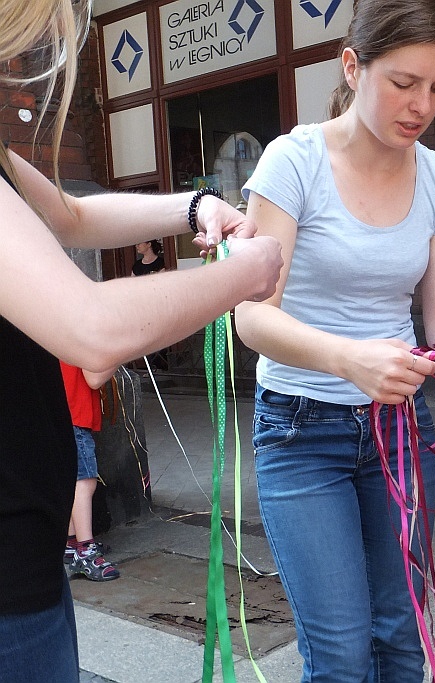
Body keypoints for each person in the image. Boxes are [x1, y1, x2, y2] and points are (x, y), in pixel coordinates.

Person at [232, 1, 435, 680]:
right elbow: (251, 317)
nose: (421, 105)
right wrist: (346, 357)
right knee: (338, 652)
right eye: (404, 82)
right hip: (301, 429)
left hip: (400, 427)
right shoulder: (292, 161)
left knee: (401, 636)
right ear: (353, 67)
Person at [0, 3, 283, 680]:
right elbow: (92, 329)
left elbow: (70, 214)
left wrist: (194, 208)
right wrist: (243, 274)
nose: (27, 75)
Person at [60, 362, 120, 581]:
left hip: (65, 413)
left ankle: (72, 542)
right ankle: (86, 551)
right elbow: (94, 377)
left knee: (74, 479)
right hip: (75, 414)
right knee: (84, 482)